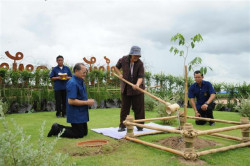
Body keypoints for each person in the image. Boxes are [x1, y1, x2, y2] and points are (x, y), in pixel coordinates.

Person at [47, 63, 95, 138]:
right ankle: (57, 128)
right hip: (75, 112)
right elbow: (71, 101)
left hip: (81, 112)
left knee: (84, 132)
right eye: (83, 72)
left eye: (86, 72)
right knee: (78, 134)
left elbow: (80, 97)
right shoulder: (72, 82)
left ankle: (59, 128)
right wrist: (87, 102)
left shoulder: (80, 80)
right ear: (76, 71)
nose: (85, 74)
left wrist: (87, 100)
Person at [115, 46, 145, 132]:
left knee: (138, 108)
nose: (136, 57)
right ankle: (122, 125)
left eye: (138, 56)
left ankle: (140, 126)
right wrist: (119, 74)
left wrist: (137, 84)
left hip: (137, 89)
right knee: (125, 108)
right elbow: (116, 67)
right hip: (126, 88)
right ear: (131, 54)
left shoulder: (140, 63)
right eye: (135, 55)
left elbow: (141, 76)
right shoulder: (123, 60)